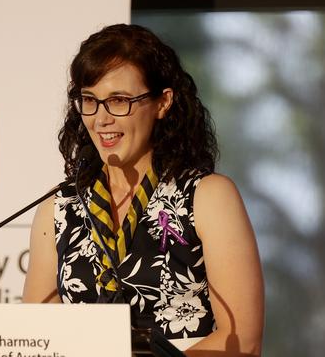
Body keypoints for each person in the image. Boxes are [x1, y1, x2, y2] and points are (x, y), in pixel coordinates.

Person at [22, 24, 264, 356]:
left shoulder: (208, 197)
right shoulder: (59, 209)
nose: (101, 118)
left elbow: (242, 342)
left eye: (119, 101)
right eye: (89, 100)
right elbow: (36, 341)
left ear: (162, 103)